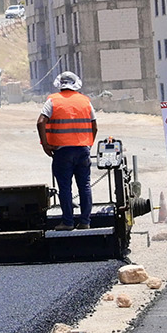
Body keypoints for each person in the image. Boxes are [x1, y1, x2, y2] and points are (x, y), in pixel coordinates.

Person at [36, 72, 97, 230]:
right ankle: (85, 222)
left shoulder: (53, 101)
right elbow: (94, 126)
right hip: (83, 149)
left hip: (62, 152)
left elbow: (40, 122)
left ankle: (68, 222)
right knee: (85, 186)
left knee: (65, 187)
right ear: (76, 84)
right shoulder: (85, 101)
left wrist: (45, 144)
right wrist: (88, 145)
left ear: (60, 84)